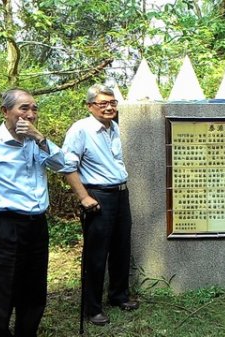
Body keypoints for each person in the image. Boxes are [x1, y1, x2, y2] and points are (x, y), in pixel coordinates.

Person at [0, 88, 65, 337]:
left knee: (33, 291)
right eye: (23, 108)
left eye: (34, 108)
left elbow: (63, 164)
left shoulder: (36, 144)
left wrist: (40, 137)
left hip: (36, 226)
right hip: (0, 225)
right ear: (5, 111)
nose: (30, 114)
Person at [60, 84, 138, 326]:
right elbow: (67, 166)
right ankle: (92, 307)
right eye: (103, 103)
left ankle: (118, 295)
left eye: (112, 102)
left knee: (121, 247)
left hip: (120, 193)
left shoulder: (114, 127)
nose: (109, 107)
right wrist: (84, 197)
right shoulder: (81, 129)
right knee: (96, 253)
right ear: (90, 106)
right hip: (97, 196)